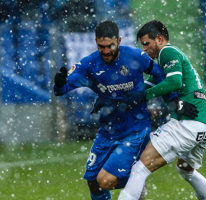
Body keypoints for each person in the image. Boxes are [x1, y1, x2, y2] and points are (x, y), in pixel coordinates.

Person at [54, 20, 170, 200]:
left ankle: (136, 184)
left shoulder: (136, 57)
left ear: (120, 40)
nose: (106, 51)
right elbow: (61, 90)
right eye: (101, 46)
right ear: (95, 42)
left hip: (135, 130)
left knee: (105, 180)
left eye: (110, 46)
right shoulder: (89, 65)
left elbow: (161, 75)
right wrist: (59, 83)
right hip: (107, 131)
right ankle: (135, 184)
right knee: (92, 181)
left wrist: (172, 101)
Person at [118, 20, 206, 200]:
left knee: (139, 168)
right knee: (185, 170)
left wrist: (142, 97)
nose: (145, 50)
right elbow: (146, 86)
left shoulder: (167, 52)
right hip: (205, 127)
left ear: (160, 39)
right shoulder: (167, 61)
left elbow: (174, 82)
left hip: (187, 125)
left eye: (147, 44)